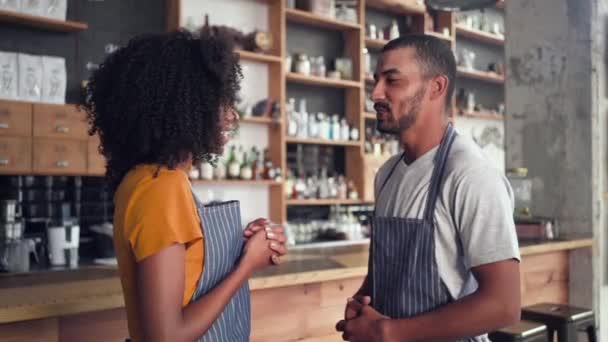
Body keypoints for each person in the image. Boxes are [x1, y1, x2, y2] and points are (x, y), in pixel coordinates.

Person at [82, 30, 287, 342]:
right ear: (185, 106)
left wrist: (241, 246)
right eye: (220, 103)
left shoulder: (150, 180)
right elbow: (166, 336)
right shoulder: (160, 188)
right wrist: (246, 266)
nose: (232, 116)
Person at [336, 34, 521, 341]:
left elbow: (503, 305)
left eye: (392, 81)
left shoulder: (470, 174)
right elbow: (386, 270)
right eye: (376, 80)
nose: (376, 93)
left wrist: (387, 331)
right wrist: (362, 300)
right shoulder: (388, 173)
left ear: (436, 87)